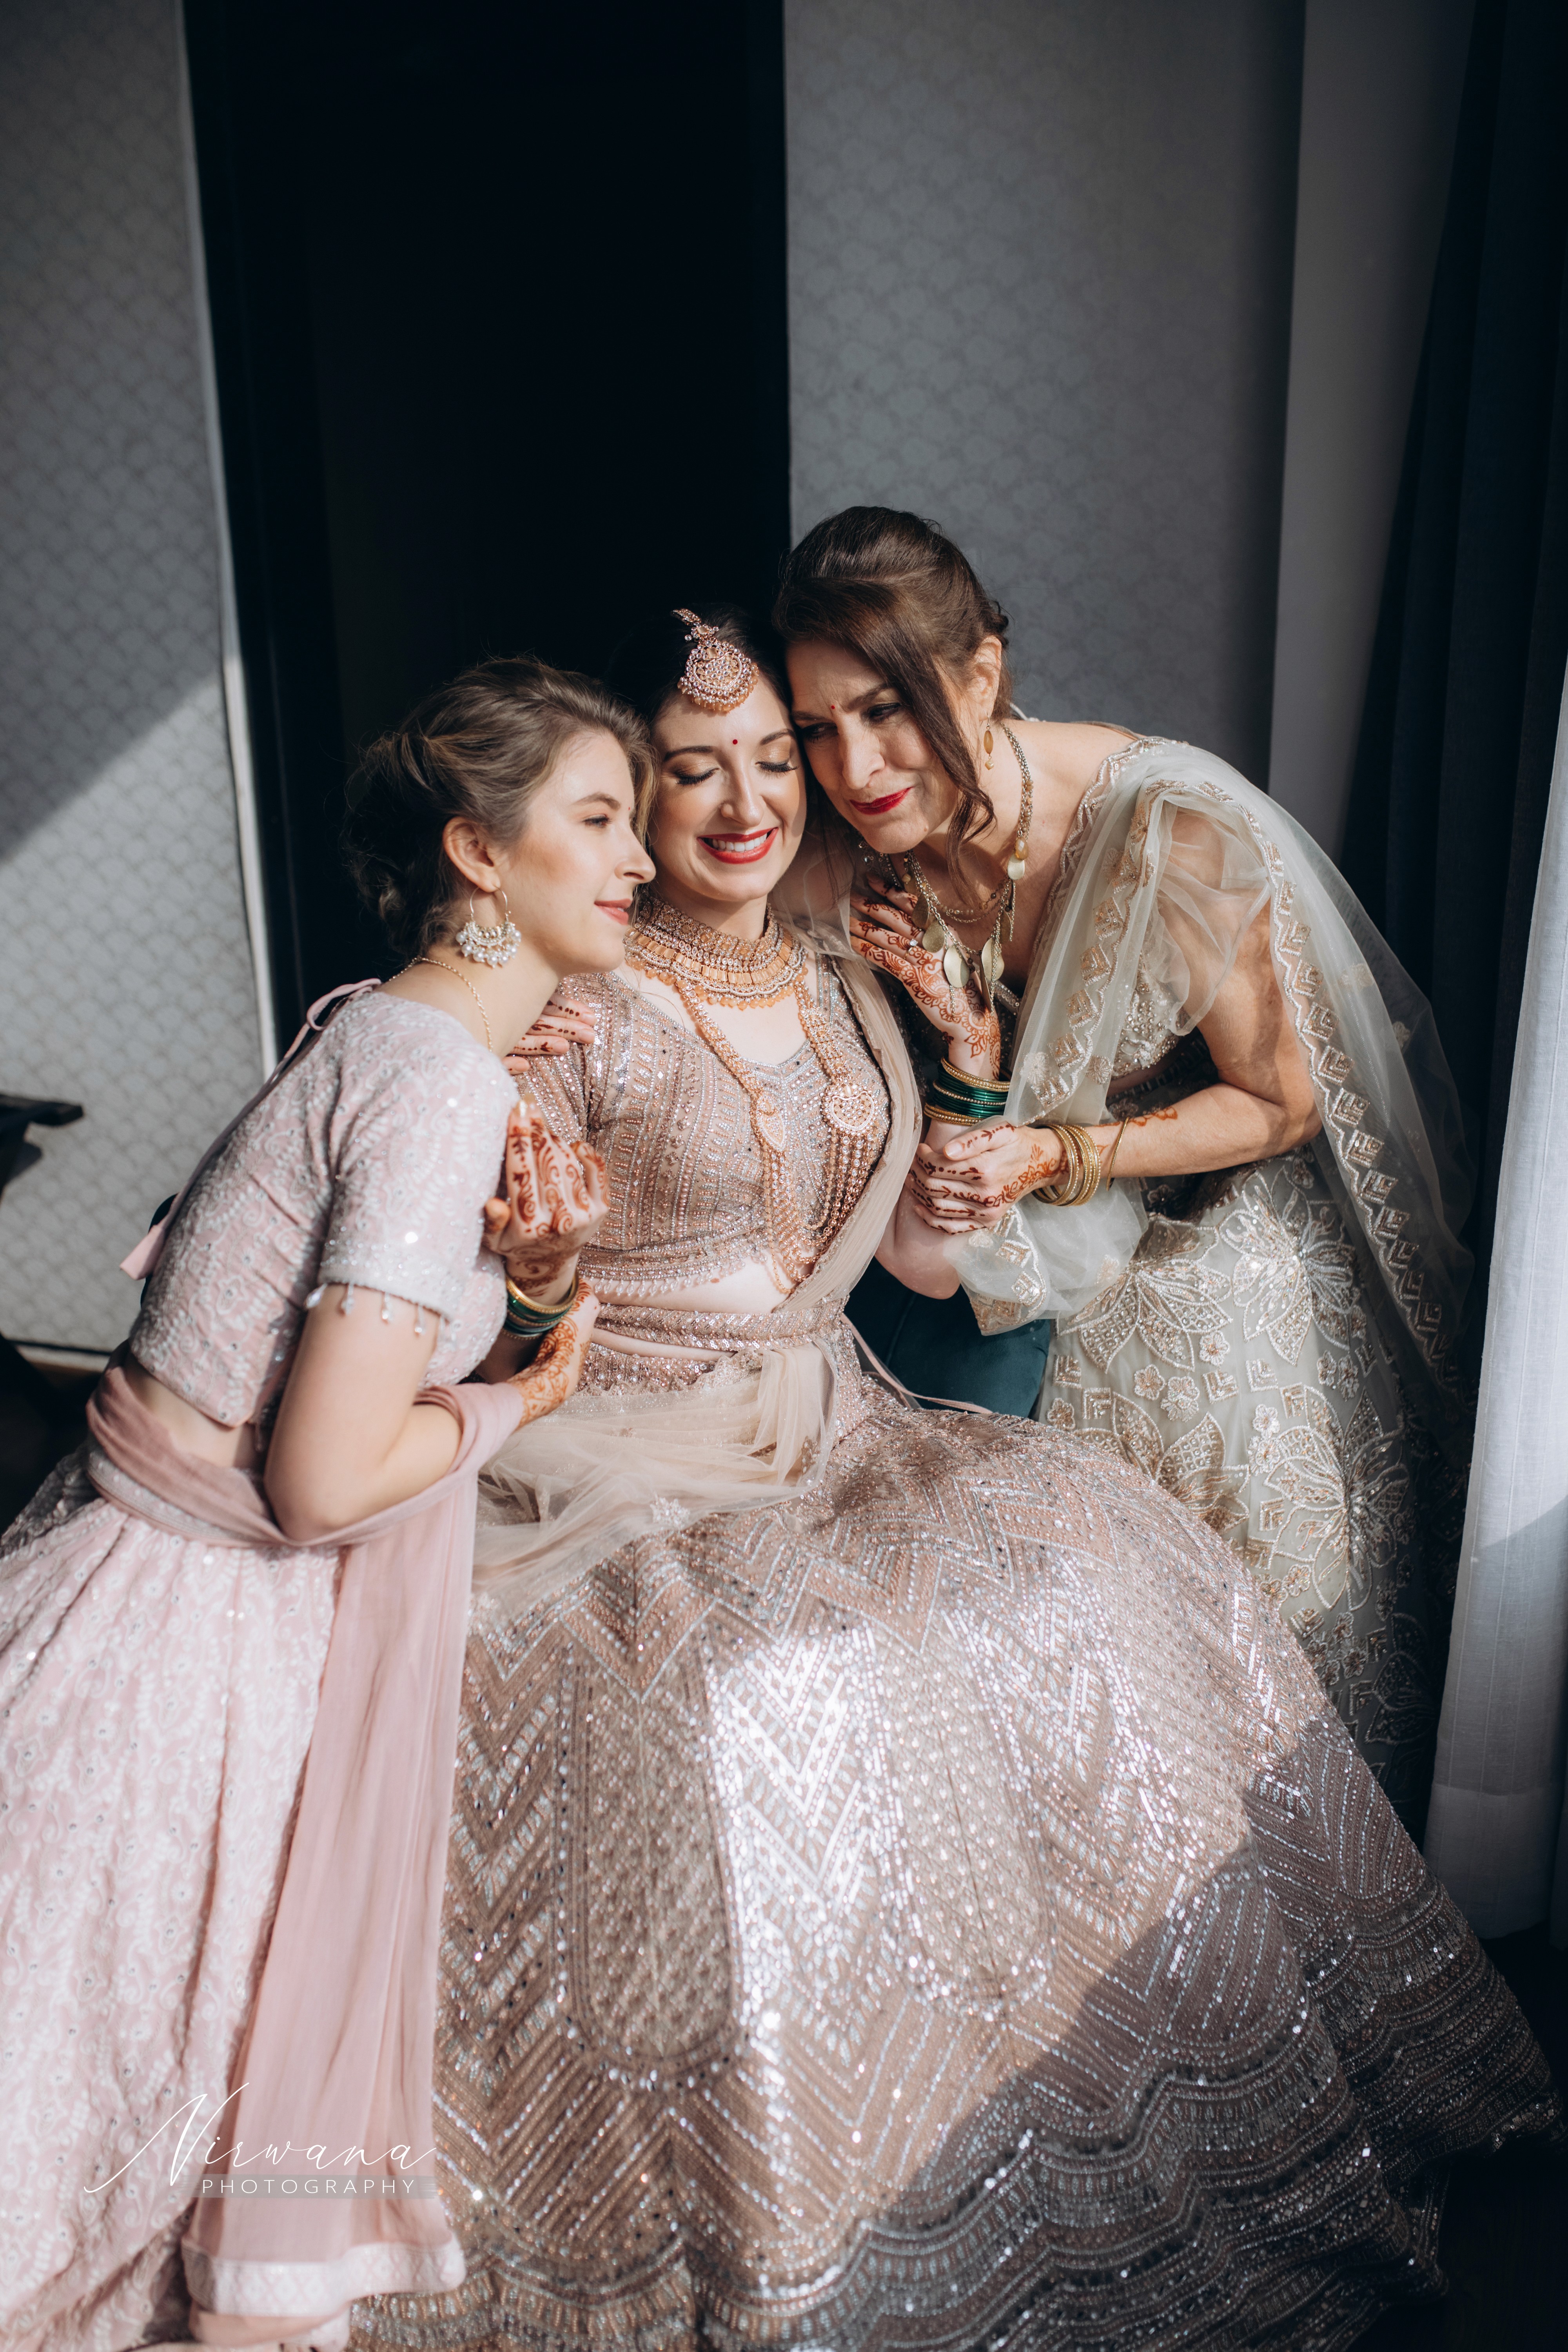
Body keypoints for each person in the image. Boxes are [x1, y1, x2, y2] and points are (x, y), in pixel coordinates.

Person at [354, 608, 1558, 2352]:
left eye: (773, 761)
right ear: (630, 803)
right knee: (748, 1684)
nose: (749, 803)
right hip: (611, 1432)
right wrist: (537, 1287)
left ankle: (1055, 2121)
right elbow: (455, 1279)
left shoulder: (844, 971)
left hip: (829, 1413)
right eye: (691, 775)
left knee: (1096, 1562)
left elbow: (922, 1265)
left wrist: (969, 1065)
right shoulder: (573, 1004)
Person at [0, 657, 655, 2352]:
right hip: (183, 1655)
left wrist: (521, 1281)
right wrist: (522, 1397)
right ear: (479, 853)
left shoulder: (382, 1026)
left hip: (124, 1584)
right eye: (602, 819)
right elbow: (320, 1482)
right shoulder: (434, 1078)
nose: (644, 858)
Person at [773, 506, 1474, 1822]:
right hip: (992, 1244)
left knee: (1209, 1428)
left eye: (886, 710)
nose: (854, 767)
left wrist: (1057, 1153)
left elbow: (1281, 1103)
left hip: (1200, 1201)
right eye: (817, 728)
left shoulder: (1170, 825)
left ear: (982, 672)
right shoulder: (854, 847)